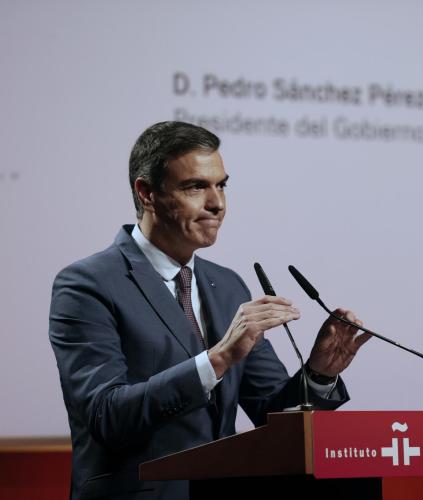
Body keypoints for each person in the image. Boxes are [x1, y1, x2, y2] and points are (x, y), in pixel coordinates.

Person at [49, 121, 370, 500]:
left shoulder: (228, 285)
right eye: (196, 186)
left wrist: (318, 374)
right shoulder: (87, 284)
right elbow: (106, 415)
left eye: (222, 185)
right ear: (147, 193)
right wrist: (218, 359)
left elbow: (272, 414)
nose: (217, 203)